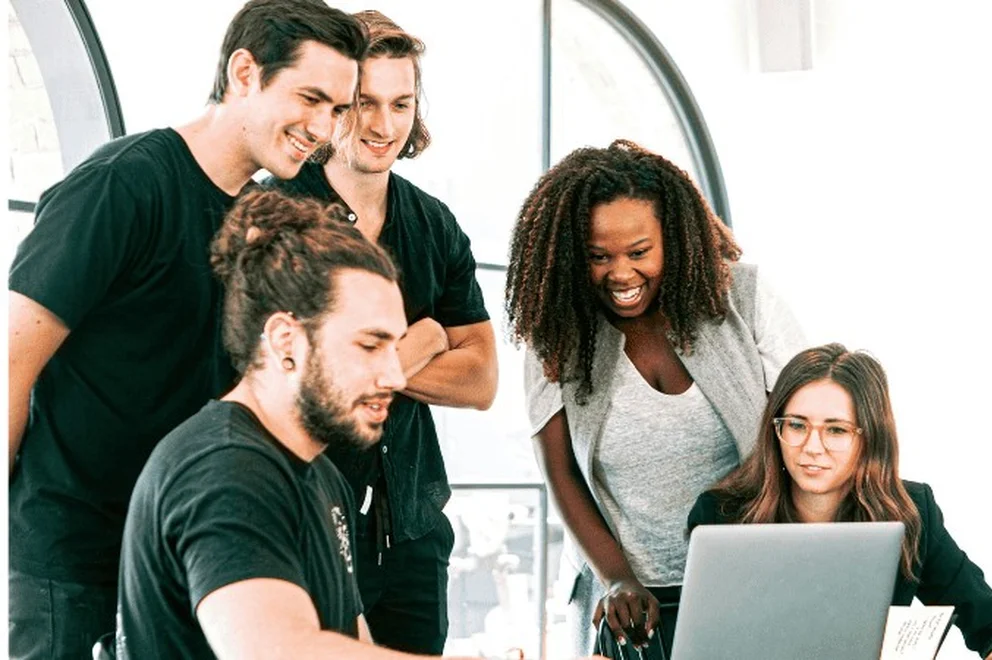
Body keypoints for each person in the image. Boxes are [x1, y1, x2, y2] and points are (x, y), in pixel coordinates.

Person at [7, 2, 367, 656]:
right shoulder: (122, 185)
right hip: (78, 557)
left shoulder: (268, 216)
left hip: (187, 549)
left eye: (338, 110)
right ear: (244, 72)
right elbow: (10, 360)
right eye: (311, 98)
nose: (324, 128)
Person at [505, 139, 806, 657]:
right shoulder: (555, 331)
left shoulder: (745, 298)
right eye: (599, 256)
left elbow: (804, 432)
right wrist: (617, 579)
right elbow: (561, 473)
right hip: (628, 600)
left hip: (748, 577)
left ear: (675, 238)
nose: (621, 274)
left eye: (640, 252)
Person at [266, 10, 498, 654]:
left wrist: (371, 359)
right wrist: (424, 338)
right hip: (307, 525)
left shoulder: (435, 224)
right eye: (364, 102)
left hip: (414, 534)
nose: (383, 125)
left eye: (401, 103)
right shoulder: (278, 214)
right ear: (335, 104)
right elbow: (294, 377)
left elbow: (481, 380)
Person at [687, 343, 992, 659]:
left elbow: (986, 621)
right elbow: (707, 647)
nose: (812, 447)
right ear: (775, 428)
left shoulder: (912, 511)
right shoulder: (719, 517)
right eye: (796, 425)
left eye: (835, 430)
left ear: (870, 437)